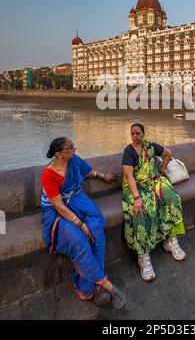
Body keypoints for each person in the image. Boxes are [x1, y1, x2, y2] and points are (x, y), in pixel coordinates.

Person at [41, 137, 126, 308]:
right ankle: (104, 284)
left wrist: (104, 176)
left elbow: (87, 171)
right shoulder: (48, 175)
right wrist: (80, 224)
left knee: (96, 229)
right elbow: (58, 205)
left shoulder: (73, 160)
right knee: (78, 240)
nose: (75, 149)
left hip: (77, 198)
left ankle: (88, 286)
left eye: (73, 146)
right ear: (59, 154)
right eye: (70, 148)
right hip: (57, 211)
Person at [122, 123, 186, 282]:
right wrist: (137, 198)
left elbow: (168, 153)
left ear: (144, 134)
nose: (135, 136)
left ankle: (171, 240)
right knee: (141, 209)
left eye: (138, 133)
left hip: (154, 180)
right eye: (132, 133)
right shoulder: (128, 151)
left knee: (172, 198)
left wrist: (162, 170)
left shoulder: (150, 146)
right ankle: (143, 256)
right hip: (135, 186)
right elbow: (129, 177)